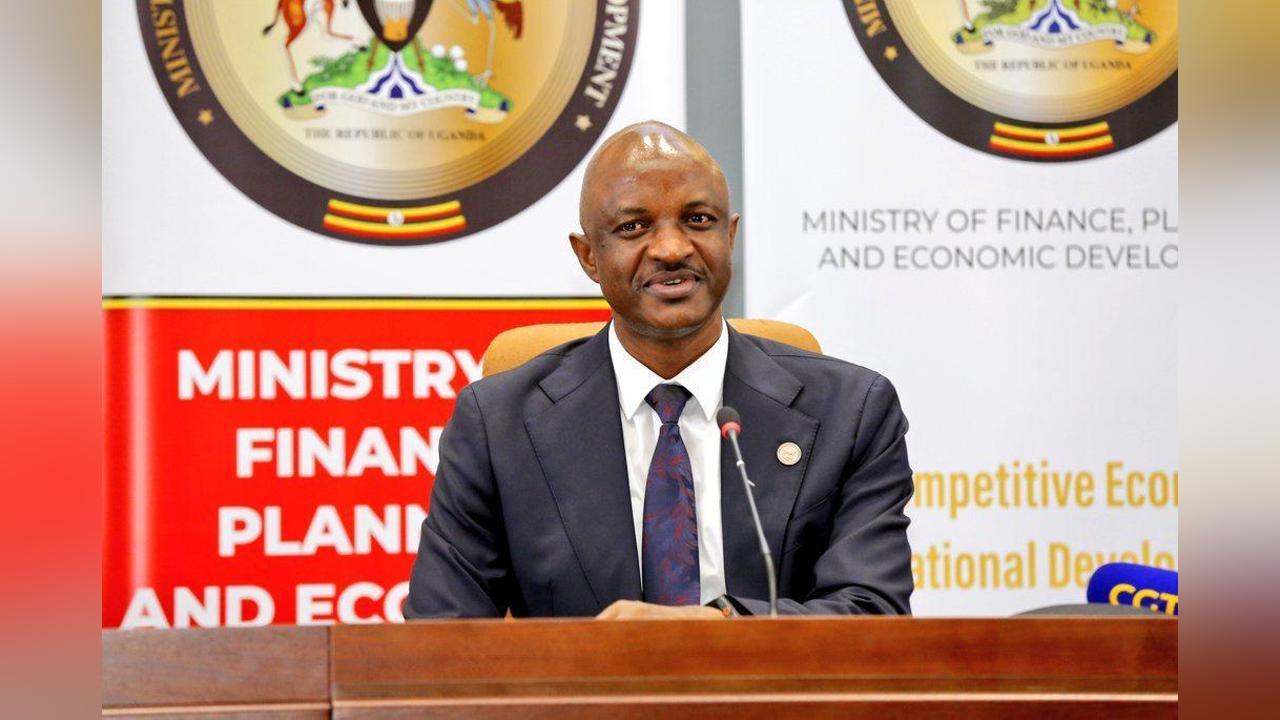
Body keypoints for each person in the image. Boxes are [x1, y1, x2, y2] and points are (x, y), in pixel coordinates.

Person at [405, 121, 914, 618]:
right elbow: (442, 636)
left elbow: (873, 613)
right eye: (633, 227)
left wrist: (718, 630)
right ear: (588, 256)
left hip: (769, 681)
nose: (672, 250)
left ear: (730, 235)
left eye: (698, 220)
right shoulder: (498, 425)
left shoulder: (849, 411)